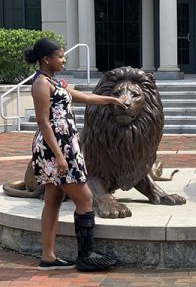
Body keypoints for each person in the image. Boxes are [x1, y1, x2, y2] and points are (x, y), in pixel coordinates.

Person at [24, 38, 125, 270]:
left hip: (64, 145)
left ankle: (48, 257)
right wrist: (59, 156)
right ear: (46, 59)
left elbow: (86, 97)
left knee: (54, 198)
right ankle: (86, 255)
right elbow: (43, 122)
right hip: (56, 147)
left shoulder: (55, 82)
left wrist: (112, 99)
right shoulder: (41, 84)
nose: (63, 59)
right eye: (59, 56)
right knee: (86, 197)